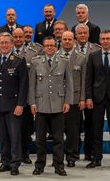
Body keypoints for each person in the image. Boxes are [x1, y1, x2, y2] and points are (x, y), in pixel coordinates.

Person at [29, 36, 73, 176]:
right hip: (41, 105)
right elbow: (32, 85)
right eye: (47, 45)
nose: (49, 48)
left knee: (58, 139)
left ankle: (59, 165)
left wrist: (67, 101)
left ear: (56, 46)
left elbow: (70, 84)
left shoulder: (64, 61)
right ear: (43, 46)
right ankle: (39, 165)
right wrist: (32, 103)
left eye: (52, 45)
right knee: (40, 139)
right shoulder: (36, 62)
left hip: (58, 104)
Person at [0, 32, 28, 176]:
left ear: (11, 44)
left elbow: (23, 85)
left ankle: (15, 163)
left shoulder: (19, 60)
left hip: (13, 105)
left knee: (15, 136)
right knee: (3, 136)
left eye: (6, 42)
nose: (4, 45)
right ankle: (5, 162)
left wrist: (21, 104)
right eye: (1, 43)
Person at [57, 31, 86, 167]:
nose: (67, 41)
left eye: (70, 39)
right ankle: (58, 158)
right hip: (57, 99)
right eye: (65, 39)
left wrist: (83, 99)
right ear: (61, 41)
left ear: (74, 40)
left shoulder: (82, 58)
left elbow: (84, 80)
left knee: (73, 131)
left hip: (74, 100)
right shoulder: (54, 56)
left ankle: (72, 157)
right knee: (57, 131)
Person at [75, 23, 101, 161]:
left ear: (89, 34)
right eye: (80, 33)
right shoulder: (68, 49)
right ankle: (73, 153)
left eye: (85, 32)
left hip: (92, 94)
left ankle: (89, 152)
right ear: (76, 35)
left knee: (91, 124)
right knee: (75, 126)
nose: (83, 35)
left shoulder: (96, 49)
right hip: (75, 94)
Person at [12, 27, 37, 164]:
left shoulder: (33, 53)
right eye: (15, 37)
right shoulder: (5, 52)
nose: (18, 39)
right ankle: (13, 153)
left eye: (20, 37)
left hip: (26, 96)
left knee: (25, 127)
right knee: (12, 127)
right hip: (10, 96)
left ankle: (25, 153)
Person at [86, 30, 110, 168]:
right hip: (97, 97)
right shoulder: (93, 56)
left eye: (108, 38)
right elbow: (89, 78)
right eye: (103, 39)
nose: (105, 41)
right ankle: (96, 158)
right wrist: (88, 97)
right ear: (100, 40)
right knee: (97, 129)